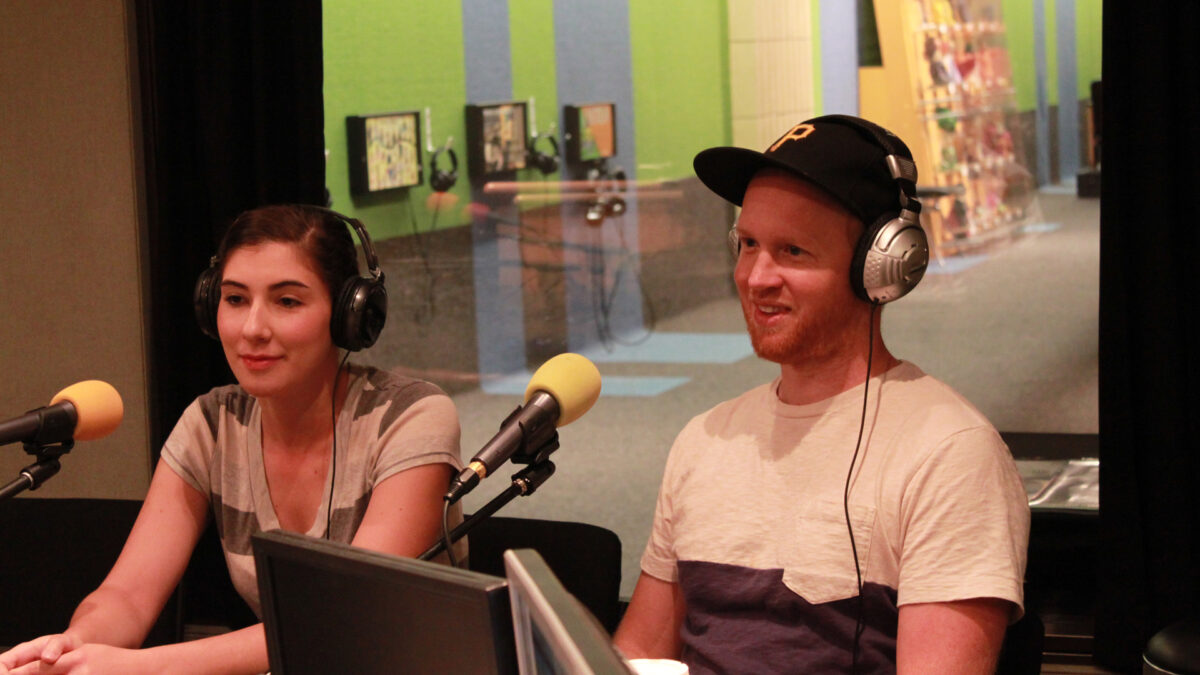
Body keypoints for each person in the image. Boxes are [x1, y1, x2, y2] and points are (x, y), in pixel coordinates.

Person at [612, 115, 1030, 674]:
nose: (756, 277)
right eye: (749, 244)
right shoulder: (705, 438)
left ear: (879, 269)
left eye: (793, 252)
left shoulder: (951, 453)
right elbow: (636, 652)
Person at [0, 204, 463, 674]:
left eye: (287, 302)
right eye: (236, 299)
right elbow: (128, 594)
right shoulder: (212, 423)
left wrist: (142, 668)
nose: (252, 329)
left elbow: (342, 615)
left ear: (349, 313)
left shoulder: (410, 417)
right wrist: (69, 649)